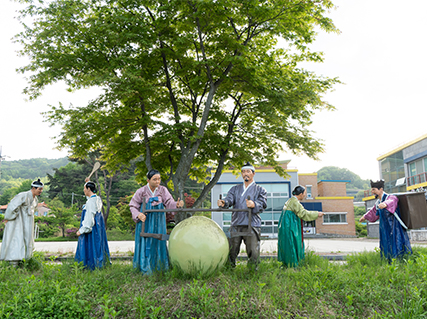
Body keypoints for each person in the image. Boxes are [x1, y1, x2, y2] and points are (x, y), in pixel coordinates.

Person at [129, 169, 184, 275]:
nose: (157, 182)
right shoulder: (141, 191)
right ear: (148, 180)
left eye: (159, 179)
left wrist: (176, 205)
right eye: (155, 179)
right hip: (145, 220)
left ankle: (160, 266)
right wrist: (138, 214)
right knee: (145, 241)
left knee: (159, 240)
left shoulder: (163, 190)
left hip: (159, 220)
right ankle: (144, 267)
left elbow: (169, 202)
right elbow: (133, 205)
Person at [217, 162, 267, 269]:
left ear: (253, 173)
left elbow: (262, 203)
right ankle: (229, 269)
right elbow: (229, 200)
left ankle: (253, 271)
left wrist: (254, 204)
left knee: (253, 250)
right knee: (231, 249)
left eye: (248, 171)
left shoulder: (260, 189)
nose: (245, 174)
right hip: (237, 223)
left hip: (252, 223)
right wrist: (224, 203)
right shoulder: (235, 189)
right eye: (243, 172)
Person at [360, 179, 412, 261]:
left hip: (394, 226)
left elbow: (392, 201)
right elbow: (373, 211)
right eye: (372, 190)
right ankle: (387, 260)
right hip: (384, 227)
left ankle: (400, 260)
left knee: (396, 242)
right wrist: (365, 217)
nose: (372, 192)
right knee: (385, 242)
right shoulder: (378, 202)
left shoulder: (390, 197)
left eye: (374, 190)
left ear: (380, 189)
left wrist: (385, 204)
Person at [277, 185, 324, 268]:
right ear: (301, 194)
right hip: (290, 227)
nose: (305, 195)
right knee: (292, 244)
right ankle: (292, 265)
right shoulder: (295, 202)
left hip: (286, 227)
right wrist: (317, 214)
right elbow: (303, 214)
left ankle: (284, 264)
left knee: (287, 244)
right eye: (304, 193)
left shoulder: (290, 201)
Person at [0, 179, 44, 264]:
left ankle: (26, 260)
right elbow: (12, 206)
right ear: (33, 188)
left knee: (27, 239)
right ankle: (13, 262)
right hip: (18, 222)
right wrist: (11, 217)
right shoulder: (22, 195)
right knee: (16, 239)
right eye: (39, 189)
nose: (41, 191)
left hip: (28, 222)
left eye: (42, 189)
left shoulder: (35, 200)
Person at [75, 180, 111, 270]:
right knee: (97, 246)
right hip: (97, 229)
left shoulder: (91, 202)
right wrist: (88, 182)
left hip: (91, 229)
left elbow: (89, 218)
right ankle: (100, 265)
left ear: (88, 189)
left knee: (90, 248)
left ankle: (90, 267)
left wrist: (82, 230)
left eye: (85, 188)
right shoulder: (97, 199)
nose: (84, 190)